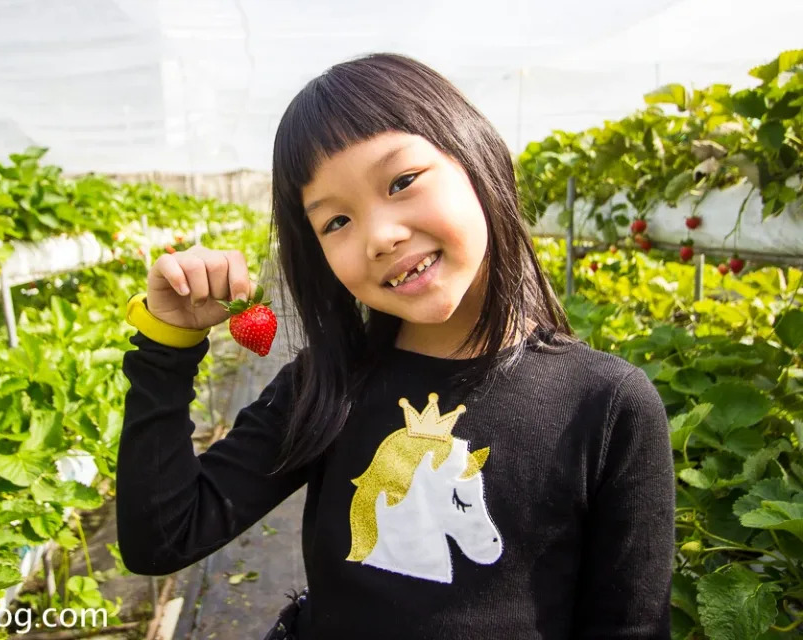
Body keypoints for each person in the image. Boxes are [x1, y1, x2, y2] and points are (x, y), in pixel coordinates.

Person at [116, 52, 675, 639]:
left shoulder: (605, 405)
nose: (381, 236)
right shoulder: (328, 385)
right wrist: (167, 345)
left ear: (479, 158)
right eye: (336, 222)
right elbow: (163, 536)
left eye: (402, 182)